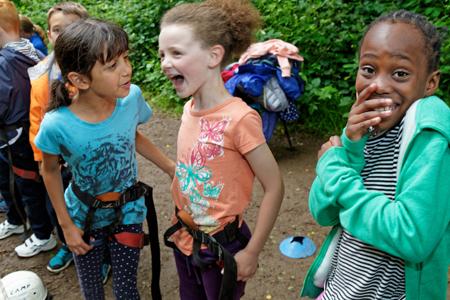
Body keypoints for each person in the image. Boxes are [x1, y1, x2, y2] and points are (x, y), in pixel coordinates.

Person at [301, 10, 449, 300]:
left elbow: (412, 236)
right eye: (369, 69)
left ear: (430, 83)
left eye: (400, 73)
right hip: (336, 292)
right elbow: (323, 212)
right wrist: (351, 149)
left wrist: (334, 169)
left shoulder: (429, 138)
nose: (378, 85)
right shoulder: (364, 130)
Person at [35, 18, 175, 299]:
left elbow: (130, 136)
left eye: (125, 58)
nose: (127, 70)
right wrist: (67, 227)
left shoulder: (131, 98)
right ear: (79, 79)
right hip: (83, 218)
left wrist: (172, 169)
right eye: (112, 66)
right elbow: (49, 171)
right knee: (92, 292)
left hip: (129, 212)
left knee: (126, 290)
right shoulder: (55, 125)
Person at [158, 1, 284, 299]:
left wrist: (251, 252)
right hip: (184, 239)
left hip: (223, 250)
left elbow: (275, 186)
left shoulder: (239, 119)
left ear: (214, 55)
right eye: (162, 54)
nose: (164, 62)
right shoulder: (189, 108)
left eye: (176, 53)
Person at [28, 1, 89, 275]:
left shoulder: (97, 69)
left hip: (88, 162)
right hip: (56, 163)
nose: (63, 36)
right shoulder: (41, 76)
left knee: (93, 209)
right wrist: (42, 160)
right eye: (56, 30)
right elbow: (36, 122)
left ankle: (101, 254)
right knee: (58, 207)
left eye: (71, 28)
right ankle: (67, 242)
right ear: (49, 35)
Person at [0, 0, 56, 257]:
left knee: (26, 184)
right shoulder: (33, 50)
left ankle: (42, 234)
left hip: (16, 133)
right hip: (34, 127)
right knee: (38, 180)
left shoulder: (4, 61)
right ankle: (41, 227)